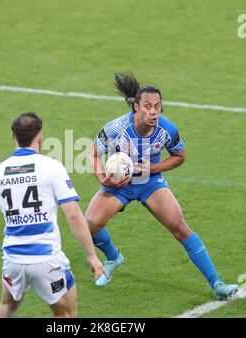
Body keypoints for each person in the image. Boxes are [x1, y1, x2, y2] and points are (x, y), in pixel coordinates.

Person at [85, 72, 238, 300]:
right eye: (148, 106)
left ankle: (217, 283)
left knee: (179, 227)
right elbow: (94, 153)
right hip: (121, 184)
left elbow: (180, 156)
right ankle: (114, 257)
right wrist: (103, 178)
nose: (154, 111)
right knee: (90, 224)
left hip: (150, 182)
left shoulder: (167, 130)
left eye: (157, 106)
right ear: (136, 107)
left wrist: (153, 169)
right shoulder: (115, 129)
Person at [0, 112, 107, 318]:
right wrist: (92, 256)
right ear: (40, 137)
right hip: (47, 259)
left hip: (13, 261)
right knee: (66, 315)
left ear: (13, 135)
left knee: (7, 306)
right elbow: (73, 215)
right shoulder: (52, 168)